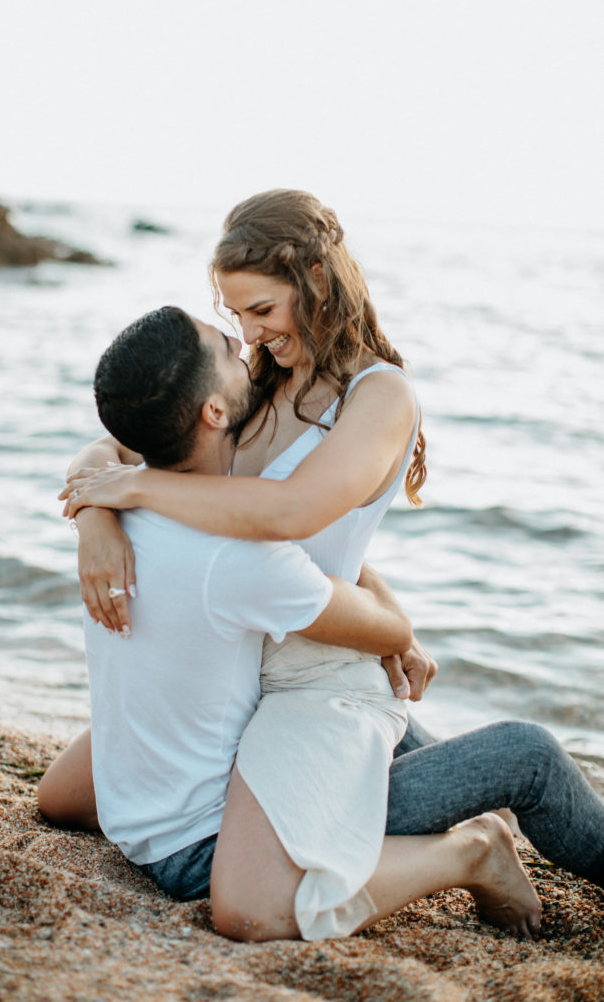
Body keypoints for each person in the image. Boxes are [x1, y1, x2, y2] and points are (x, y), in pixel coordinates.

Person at [50, 190, 603, 935]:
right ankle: (466, 784)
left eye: (261, 309)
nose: (248, 332)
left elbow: (291, 516)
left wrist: (137, 488)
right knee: (64, 795)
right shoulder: (255, 381)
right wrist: (96, 518)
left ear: (315, 278)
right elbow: (124, 440)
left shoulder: (377, 396)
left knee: (271, 865)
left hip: (316, 667)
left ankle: (500, 807)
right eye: (234, 314)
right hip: (238, 651)